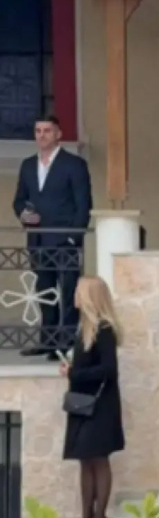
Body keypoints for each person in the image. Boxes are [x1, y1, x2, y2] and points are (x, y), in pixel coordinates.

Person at [12, 114, 92, 358]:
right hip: (37, 239)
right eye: (38, 131)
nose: (42, 135)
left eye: (47, 130)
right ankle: (47, 342)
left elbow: (83, 204)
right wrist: (24, 214)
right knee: (44, 291)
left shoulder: (74, 164)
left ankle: (65, 344)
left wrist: (74, 237)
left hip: (64, 239)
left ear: (58, 134)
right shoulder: (28, 165)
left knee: (67, 292)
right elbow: (19, 200)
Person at [60, 277, 125, 518]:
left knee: (98, 459)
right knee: (85, 461)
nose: (74, 294)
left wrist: (75, 373)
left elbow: (109, 370)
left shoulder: (104, 329)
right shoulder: (84, 327)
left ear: (89, 296)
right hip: (83, 404)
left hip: (99, 405)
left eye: (79, 290)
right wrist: (71, 370)